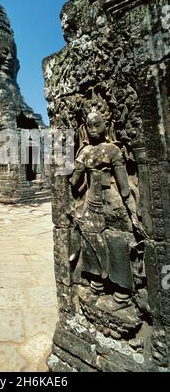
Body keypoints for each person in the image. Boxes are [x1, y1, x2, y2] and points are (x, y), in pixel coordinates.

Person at [70, 106, 146, 303]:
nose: (93, 129)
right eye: (89, 125)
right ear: (85, 128)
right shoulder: (90, 151)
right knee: (92, 239)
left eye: (97, 124)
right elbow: (75, 182)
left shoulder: (109, 150)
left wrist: (131, 207)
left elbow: (123, 185)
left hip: (110, 202)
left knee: (117, 239)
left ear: (106, 125)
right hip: (98, 200)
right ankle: (97, 282)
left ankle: (122, 291)